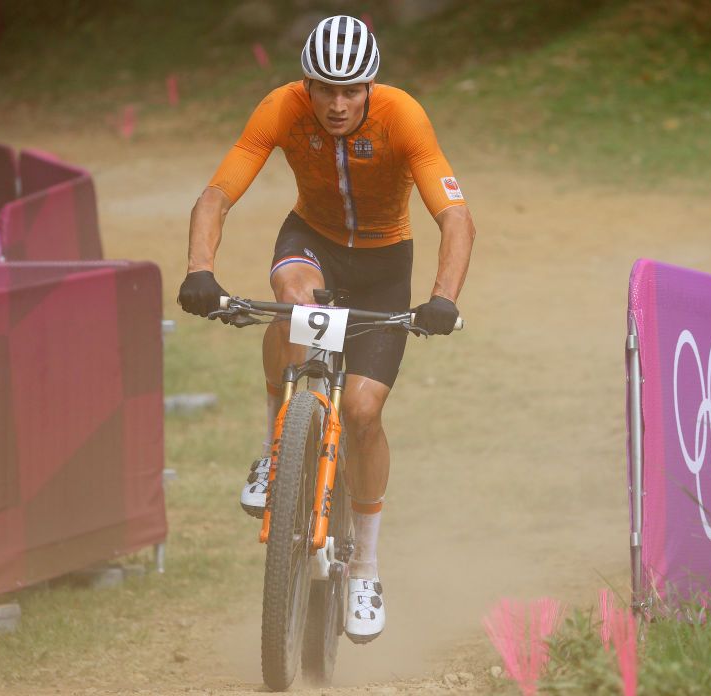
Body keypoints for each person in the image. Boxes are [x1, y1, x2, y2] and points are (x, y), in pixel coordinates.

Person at [177, 15, 476, 644]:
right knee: (290, 297)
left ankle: (365, 566)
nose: (337, 104)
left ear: (370, 87)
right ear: (305, 85)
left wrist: (442, 299)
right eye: (324, 89)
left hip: (383, 264)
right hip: (310, 241)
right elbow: (216, 194)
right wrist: (200, 270)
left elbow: (455, 219)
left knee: (364, 413)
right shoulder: (281, 109)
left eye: (351, 91)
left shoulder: (404, 117)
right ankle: (275, 451)